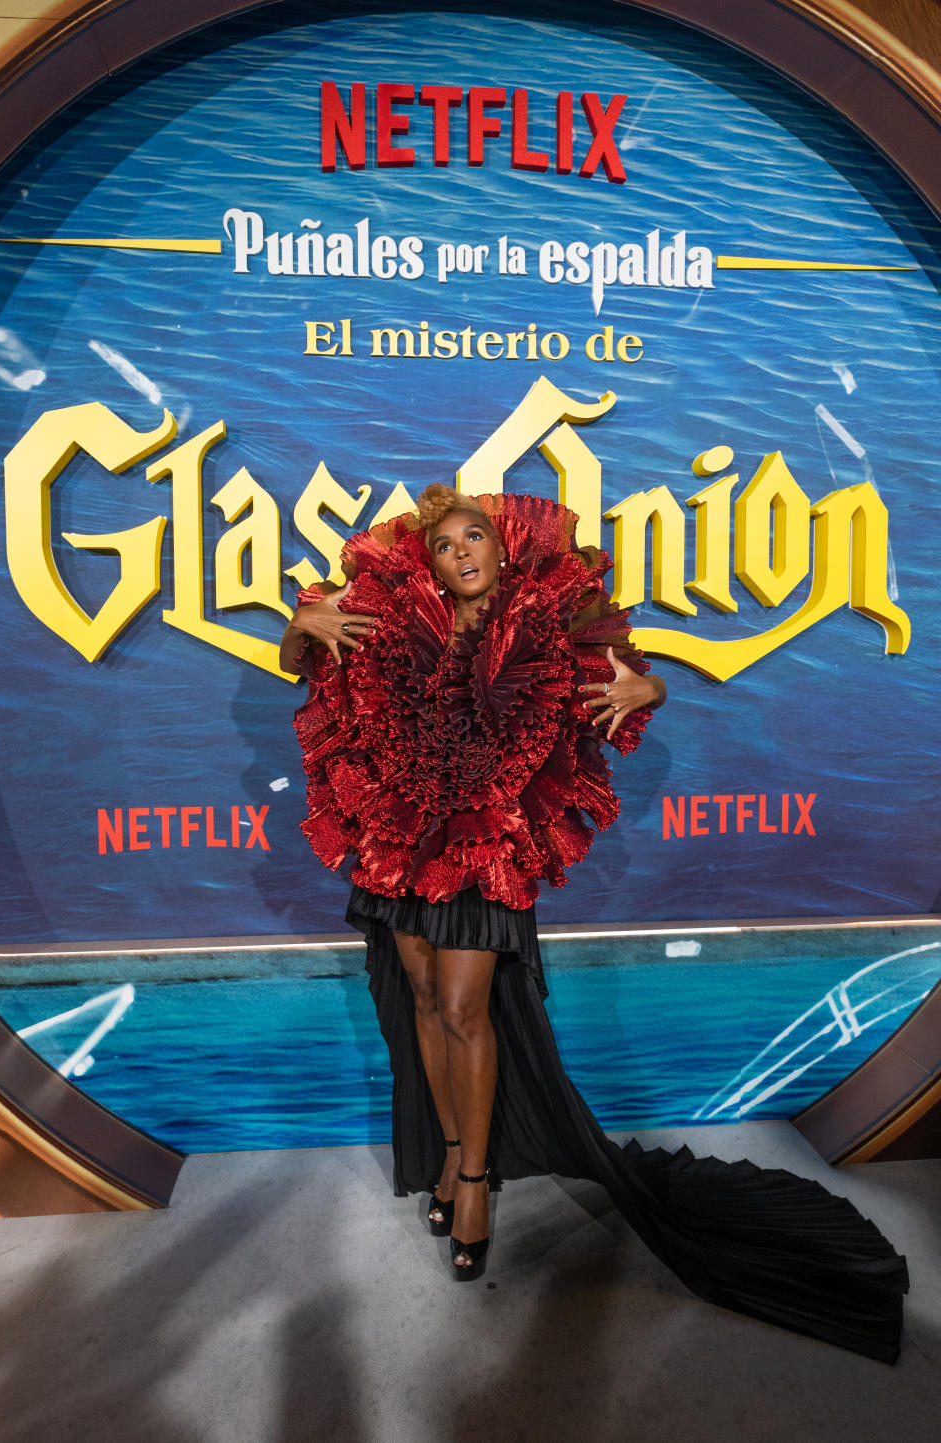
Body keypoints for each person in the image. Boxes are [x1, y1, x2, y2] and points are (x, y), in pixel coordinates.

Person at [280, 483, 907, 1361]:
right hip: (404, 832)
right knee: (422, 994)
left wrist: (643, 683)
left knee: (465, 1005)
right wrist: (303, 627)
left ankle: (471, 1183)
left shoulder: (541, 624)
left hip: (488, 840)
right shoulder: (392, 623)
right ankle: (461, 1145)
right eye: (446, 545)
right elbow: (301, 659)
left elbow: (639, 682)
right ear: (431, 563)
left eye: (475, 537)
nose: (461, 552)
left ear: (502, 550)